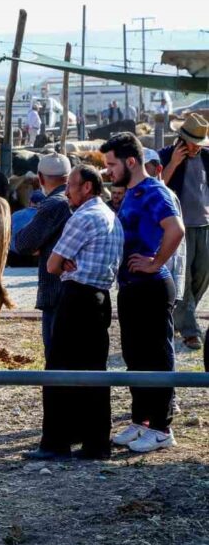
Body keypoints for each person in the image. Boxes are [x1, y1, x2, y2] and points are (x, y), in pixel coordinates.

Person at [25, 165, 124, 461]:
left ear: (87, 188)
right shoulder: (110, 217)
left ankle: (56, 442)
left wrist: (64, 260)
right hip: (100, 298)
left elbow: (53, 266)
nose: (66, 191)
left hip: (76, 298)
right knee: (94, 371)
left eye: (71, 185)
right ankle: (95, 443)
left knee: (58, 370)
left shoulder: (82, 218)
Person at [102, 132, 185, 453]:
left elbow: (175, 229)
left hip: (152, 285)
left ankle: (163, 428)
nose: (108, 171)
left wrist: (155, 262)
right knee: (135, 356)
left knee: (157, 355)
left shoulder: (153, 191)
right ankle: (142, 421)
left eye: (112, 164)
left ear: (131, 161)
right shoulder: (133, 192)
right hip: (131, 288)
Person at [13, 154, 73, 357]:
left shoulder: (53, 204)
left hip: (56, 289)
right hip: (82, 289)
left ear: (40, 177)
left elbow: (23, 244)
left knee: (56, 354)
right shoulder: (82, 200)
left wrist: (41, 242)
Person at [159, 114, 209, 350]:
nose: (197, 146)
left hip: (205, 224)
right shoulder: (166, 155)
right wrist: (174, 164)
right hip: (179, 226)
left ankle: (183, 314)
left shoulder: (207, 157)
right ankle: (190, 330)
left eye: (200, 142)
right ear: (182, 139)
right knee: (185, 279)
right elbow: (158, 186)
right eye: (193, 141)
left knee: (202, 275)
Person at [144, 148, 186, 300]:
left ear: (158, 169)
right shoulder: (137, 193)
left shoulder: (163, 196)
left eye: (146, 167)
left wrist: (156, 264)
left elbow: (176, 236)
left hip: (159, 274)